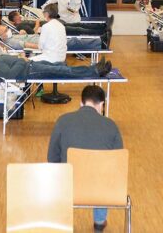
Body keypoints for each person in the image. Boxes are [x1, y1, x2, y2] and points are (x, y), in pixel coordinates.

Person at [47, 85, 124, 231]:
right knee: (103, 174)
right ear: (102, 104)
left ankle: (63, 219)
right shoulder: (111, 125)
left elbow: (52, 157)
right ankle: (99, 221)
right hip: (100, 190)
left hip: (69, 186)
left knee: (62, 171)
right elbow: (117, 163)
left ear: (81, 103)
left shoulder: (63, 121)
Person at [0, 43, 111, 81]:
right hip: (30, 71)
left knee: (58, 65)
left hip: (30, 66)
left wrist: (21, 60)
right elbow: (10, 75)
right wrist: (21, 60)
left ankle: (93, 67)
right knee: (62, 70)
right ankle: (96, 71)